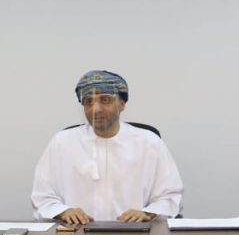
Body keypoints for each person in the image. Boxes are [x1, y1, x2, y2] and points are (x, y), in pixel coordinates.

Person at [31, 70, 183, 224]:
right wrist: (63, 212)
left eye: (105, 100)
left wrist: (147, 213)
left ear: (121, 104)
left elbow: (170, 197)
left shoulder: (149, 142)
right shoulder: (62, 142)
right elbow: (42, 197)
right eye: (88, 102)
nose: (96, 109)